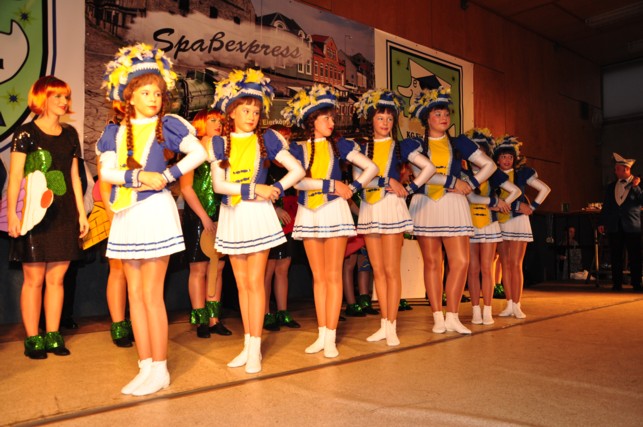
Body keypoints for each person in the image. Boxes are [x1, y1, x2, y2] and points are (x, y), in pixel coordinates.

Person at [97, 43, 207, 395]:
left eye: (158, 93)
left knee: (151, 293)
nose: (153, 98)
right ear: (129, 96)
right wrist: (138, 176)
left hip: (156, 212)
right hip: (127, 213)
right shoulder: (113, 132)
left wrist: (168, 174)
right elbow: (106, 172)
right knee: (134, 293)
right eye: (145, 92)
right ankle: (145, 365)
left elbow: (199, 152)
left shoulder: (168, 126)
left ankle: (160, 368)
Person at [209, 69, 305, 373]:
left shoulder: (267, 139)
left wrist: (276, 188)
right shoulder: (219, 142)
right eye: (245, 110)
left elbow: (298, 170)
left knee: (255, 282)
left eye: (256, 111)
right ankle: (247, 345)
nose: (251, 116)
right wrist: (255, 189)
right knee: (241, 285)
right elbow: (218, 186)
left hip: (259, 216)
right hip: (233, 215)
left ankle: (256, 349)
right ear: (231, 111)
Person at [281, 84, 378, 358]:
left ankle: (332, 336)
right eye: (326, 118)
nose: (332, 123)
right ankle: (322, 333)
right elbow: (298, 182)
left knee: (333, 275)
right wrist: (331, 184)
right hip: (308, 212)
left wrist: (352, 188)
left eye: (332, 118)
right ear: (311, 120)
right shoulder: (298, 148)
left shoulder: (340, 145)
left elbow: (371, 168)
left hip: (334, 211)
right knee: (319, 277)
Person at [6, 75, 90, 359]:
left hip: (65, 213)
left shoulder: (70, 134)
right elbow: (15, 176)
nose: (64, 101)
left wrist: (81, 214)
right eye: (57, 96)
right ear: (42, 98)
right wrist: (13, 214)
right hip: (34, 214)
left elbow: (75, 178)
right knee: (34, 279)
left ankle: (53, 335)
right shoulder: (26, 133)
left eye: (66, 97)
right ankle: (33, 338)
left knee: (57, 279)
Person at [407, 87, 496, 335]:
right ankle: (438, 316)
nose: (443, 118)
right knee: (432, 262)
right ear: (426, 118)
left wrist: (471, 183)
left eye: (446, 114)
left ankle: (453, 316)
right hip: (426, 204)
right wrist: (453, 180)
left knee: (461, 261)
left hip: (453, 204)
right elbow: (420, 175)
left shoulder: (460, 143)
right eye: (437, 114)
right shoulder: (414, 144)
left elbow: (489, 165)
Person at [353, 89, 436, 345]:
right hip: (370, 209)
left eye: (390, 119)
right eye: (380, 118)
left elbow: (429, 168)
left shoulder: (400, 147)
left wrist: (410, 188)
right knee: (377, 270)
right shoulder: (360, 148)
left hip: (391, 207)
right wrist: (386, 180)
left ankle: (392, 326)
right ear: (371, 120)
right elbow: (358, 181)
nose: (385, 123)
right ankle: (383, 324)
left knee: (391, 270)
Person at [180, 108, 231, 338]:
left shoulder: (225, 151)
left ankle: (214, 319)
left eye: (220, 120)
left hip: (223, 214)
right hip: (198, 216)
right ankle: (200, 319)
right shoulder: (193, 151)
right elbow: (186, 188)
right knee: (199, 268)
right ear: (201, 122)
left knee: (218, 267)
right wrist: (204, 217)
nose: (218, 124)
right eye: (212, 120)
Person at [463, 128, 520, 325]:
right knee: (473, 269)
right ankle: (475, 310)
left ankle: (487, 310)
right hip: (469, 224)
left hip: (489, 224)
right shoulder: (463, 173)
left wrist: (504, 204)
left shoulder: (493, 173)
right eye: (474, 151)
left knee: (487, 268)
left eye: (481, 151)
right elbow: (472, 197)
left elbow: (515, 191)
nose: (477, 155)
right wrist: (495, 201)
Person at [493, 135, 551, 318]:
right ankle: (509, 304)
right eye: (503, 156)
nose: (507, 160)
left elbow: (545, 189)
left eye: (510, 157)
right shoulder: (492, 175)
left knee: (516, 263)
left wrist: (532, 207)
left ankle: (517, 304)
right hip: (499, 221)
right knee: (504, 263)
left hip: (518, 221)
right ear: (497, 159)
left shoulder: (522, 173)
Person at [263, 125, 301, 332]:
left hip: (290, 218)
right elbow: (258, 190)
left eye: (288, 138)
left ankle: (283, 311)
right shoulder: (265, 164)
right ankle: (265, 313)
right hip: (270, 218)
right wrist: (275, 209)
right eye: (282, 138)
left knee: (283, 268)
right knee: (267, 270)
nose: (286, 142)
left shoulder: (292, 164)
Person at [598, 153, 643, 292]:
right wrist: (602, 222)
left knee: (635, 256)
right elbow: (606, 206)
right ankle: (616, 284)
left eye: (617, 169)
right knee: (616, 256)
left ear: (626, 169)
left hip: (632, 226)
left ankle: (636, 283)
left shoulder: (639, 184)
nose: (615, 171)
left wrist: (636, 187)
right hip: (615, 225)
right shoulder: (611, 186)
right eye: (615, 169)